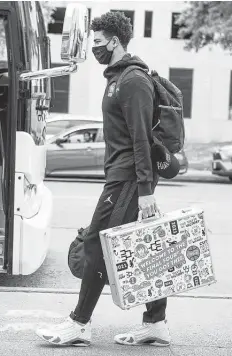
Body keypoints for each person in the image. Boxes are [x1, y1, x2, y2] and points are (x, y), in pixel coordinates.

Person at [35, 11, 171, 347]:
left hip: (128, 178)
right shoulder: (117, 78)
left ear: (114, 41)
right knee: (133, 248)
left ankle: (79, 322)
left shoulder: (133, 81)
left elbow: (141, 138)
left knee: (96, 244)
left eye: (97, 42)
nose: (94, 48)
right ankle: (156, 321)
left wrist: (144, 191)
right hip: (123, 176)